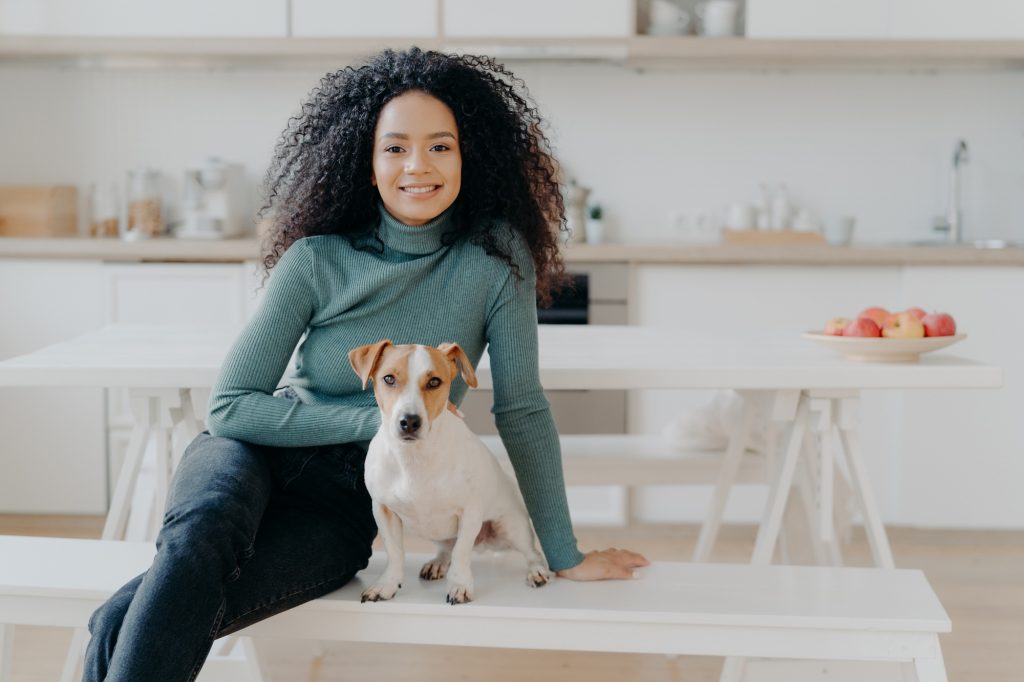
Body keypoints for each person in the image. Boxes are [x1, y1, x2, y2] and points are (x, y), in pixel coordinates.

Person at [84, 47, 649, 681]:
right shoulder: (315, 259)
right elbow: (230, 405)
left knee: (116, 622)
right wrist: (377, 420)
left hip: (354, 499)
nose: (417, 166)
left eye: (440, 146)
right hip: (250, 452)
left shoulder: (494, 260)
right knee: (199, 540)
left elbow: (521, 407)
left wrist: (564, 552)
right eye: (395, 147)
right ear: (368, 163)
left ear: (470, 157)